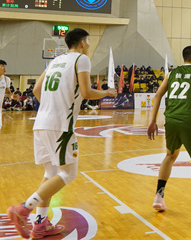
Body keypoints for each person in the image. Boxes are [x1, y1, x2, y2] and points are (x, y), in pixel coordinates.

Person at [7, 28, 116, 239]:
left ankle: (40, 224)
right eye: (89, 41)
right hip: (60, 125)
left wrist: (51, 106)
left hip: (41, 122)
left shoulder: (55, 61)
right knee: (68, 173)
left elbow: (36, 90)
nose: (89, 45)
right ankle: (23, 209)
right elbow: (86, 92)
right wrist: (107, 92)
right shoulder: (82, 59)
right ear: (82, 43)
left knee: (50, 174)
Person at [146, 45, 191, 221]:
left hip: (171, 120)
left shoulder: (171, 73)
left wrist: (152, 120)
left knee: (170, 155)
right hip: (190, 121)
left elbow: (157, 96)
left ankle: (159, 196)